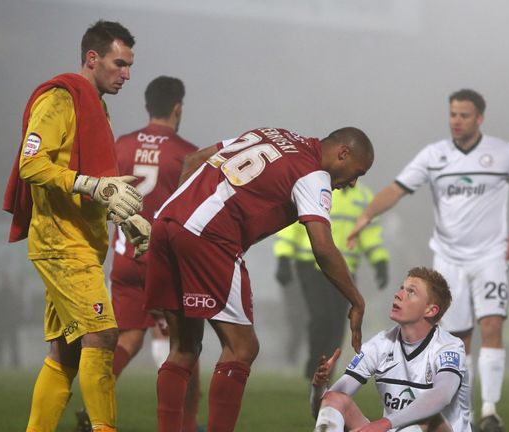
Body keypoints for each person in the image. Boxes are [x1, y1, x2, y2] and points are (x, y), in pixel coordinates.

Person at [145, 126, 374, 432]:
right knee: (243, 348)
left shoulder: (272, 133)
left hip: (164, 223)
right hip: (211, 238)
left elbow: (193, 160)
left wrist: (182, 219)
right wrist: (356, 300)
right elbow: (322, 247)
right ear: (342, 153)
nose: (352, 183)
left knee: (184, 347)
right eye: (357, 172)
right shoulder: (313, 174)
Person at [349, 89, 509, 431]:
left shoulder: (503, 153)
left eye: (464, 115)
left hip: (491, 254)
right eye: (453, 114)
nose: (456, 121)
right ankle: (462, 414)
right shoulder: (434, 155)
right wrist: (366, 215)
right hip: (448, 258)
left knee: (492, 325)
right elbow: (397, 188)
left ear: (479, 118)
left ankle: (489, 411)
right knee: (457, 339)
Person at [2, 20, 148, 432]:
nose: (127, 74)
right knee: (103, 333)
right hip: (60, 243)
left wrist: (127, 216)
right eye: (119, 64)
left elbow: (96, 180)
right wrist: (91, 185)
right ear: (92, 58)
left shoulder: (95, 105)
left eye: (130, 65)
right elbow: (32, 164)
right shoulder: (58, 99)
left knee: (64, 354)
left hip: (81, 240)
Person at [76, 76, 203, 432]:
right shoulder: (186, 153)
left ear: (147, 106)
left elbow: (99, 194)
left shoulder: (122, 145)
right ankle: (186, 425)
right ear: (178, 107)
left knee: (128, 337)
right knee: (185, 345)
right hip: (165, 261)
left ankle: (93, 409)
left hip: (125, 257)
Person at [311, 267, 471, 432]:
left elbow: (441, 396)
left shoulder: (449, 347)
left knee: (430, 419)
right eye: (402, 288)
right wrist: (318, 388)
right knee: (335, 399)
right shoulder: (380, 345)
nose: (398, 294)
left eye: (411, 292)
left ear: (430, 310)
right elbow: (325, 411)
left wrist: (383, 423)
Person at [274, 181, 390, 379]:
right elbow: (293, 223)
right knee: (320, 317)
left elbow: (369, 234)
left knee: (337, 323)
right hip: (310, 263)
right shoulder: (317, 188)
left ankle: (326, 370)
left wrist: (379, 261)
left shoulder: (364, 197)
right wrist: (284, 257)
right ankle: (314, 367)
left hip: (344, 269)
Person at [0, 272, 23, 369]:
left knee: (3, 346)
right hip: (6, 324)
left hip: (4, 324)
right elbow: (18, 308)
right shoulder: (12, 294)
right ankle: (12, 364)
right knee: (7, 346)